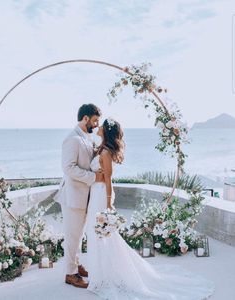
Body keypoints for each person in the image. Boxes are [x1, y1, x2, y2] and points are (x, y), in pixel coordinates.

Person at [85, 117, 214, 300]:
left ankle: (106, 275)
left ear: (106, 131)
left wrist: (108, 203)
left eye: (101, 126)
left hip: (101, 196)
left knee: (102, 234)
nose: (97, 127)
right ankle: (101, 272)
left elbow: (108, 180)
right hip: (95, 193)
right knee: (100, 235)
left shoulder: (105, 153)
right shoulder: (101, 149)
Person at [55, 103, 104, 288]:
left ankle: (75, 264)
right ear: (85, 118)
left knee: (79, 234)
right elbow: (68, 167)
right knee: (72, 236)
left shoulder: (86, 137)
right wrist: (94, 177)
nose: (96, 124)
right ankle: (70, 274)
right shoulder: (72, 139)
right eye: (94, 120)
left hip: (84, 196)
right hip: (73, 196)